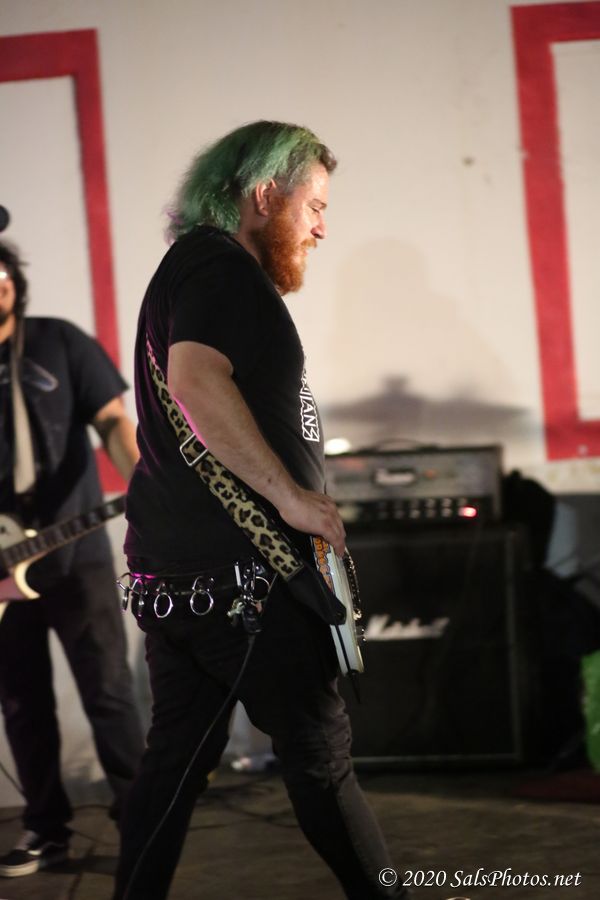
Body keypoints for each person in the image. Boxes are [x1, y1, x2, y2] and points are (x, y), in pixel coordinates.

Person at [114, 120, 412, 900]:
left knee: (175, 765)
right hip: (247, 581)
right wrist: (291, 498)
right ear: (263, 194)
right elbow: (196, 382)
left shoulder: (192, 270)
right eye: (314, 205)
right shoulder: (221, 268)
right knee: (321, 756)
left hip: (184, 577)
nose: (321, 226)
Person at [0, 241, 145, 877]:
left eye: (1, 271)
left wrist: (145, 482)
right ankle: (44, 830)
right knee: (22, 704)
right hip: (2, 571)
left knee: (109, 692)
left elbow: (112, 420)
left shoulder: (58, 341)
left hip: (74, 551)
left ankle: (142, 821)